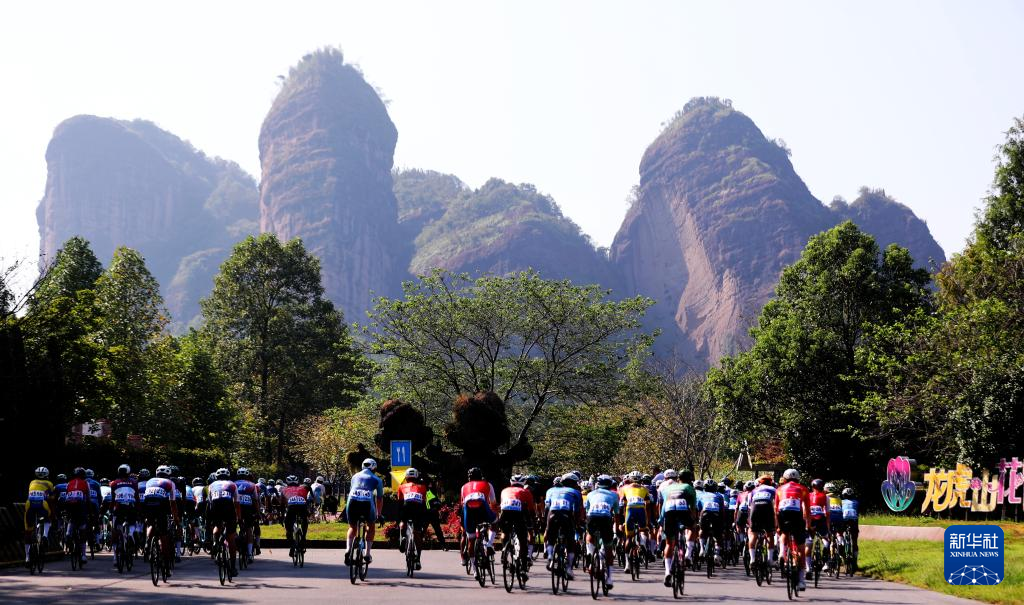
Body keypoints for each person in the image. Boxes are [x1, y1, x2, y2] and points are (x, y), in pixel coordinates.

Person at [657, 469, 695, 586]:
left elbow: (662, 506)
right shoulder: (689, 488)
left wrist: (660, 520)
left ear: (678, 478)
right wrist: (694, 522)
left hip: (668, 511)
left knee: (669, 543)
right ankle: (688, 554)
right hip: (682, 510)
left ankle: (667, 572)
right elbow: (692, 508)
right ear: (690, 480)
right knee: (693, 528)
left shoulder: (666, 488)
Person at [775, 468, 810, 590]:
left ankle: (781, 553)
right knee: (801, 548)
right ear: (798, 478)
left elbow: (776, 509)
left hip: (783, 514)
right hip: (797, 516)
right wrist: (808, 526)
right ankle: (801, 581)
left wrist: (777, 526)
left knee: (784, 533)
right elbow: (807, 510)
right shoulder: (803, 489)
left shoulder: (779, 489)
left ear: (785, 479)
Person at [143, 465, 180, 576]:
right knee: (164, 536)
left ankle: (147, 542)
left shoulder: (149, 481)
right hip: (160, 506)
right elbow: (172, 503)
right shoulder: (170, 483)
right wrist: (176, 518)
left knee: (150, 524)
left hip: (147, 504)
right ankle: (166, 566)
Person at [545, 472, 583, 580]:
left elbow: (547, 507)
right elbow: (577, 511)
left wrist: (546, 524)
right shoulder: (576, 492)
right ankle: (569, 568)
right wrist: (577, 524)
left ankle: (550, 556)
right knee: (570, 541)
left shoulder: (551, 490)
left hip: (552, 514)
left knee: (551, 536)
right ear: (574, 483)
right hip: (566, 515)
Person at [346, 458, 384, 565]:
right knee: (371, 527)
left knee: (352, 527)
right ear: (374, 468)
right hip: (367, 504)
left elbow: (351, 489)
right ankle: (367, 554)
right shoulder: (377, 479)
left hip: (352, 501)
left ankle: (348, 549)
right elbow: (379, 498)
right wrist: (379, 514)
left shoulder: (354, 476)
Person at [585, 474, 620, 588]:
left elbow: (587, 511)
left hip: (592, 517)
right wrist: (617, 530)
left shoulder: (590, 494)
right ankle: (609, 578)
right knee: (608, 548)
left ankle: (590, 553)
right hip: (605, 518)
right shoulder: (614, 495)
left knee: (590, 534)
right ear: (610, 485)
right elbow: (617, 514)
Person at [460, 467, 498, 571]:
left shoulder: (464, 487)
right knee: (495, 522)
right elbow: (493, 503)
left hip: (468, 510)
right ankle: (489, 544)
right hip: (482, 508)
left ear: (469, 478)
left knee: (468, 536)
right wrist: (494, 515)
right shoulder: (488, 484)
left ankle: (473, 569)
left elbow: (462, 504)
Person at [207, 467, 239, 576]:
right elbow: (236, 502)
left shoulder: (211, 485)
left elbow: (209, 501)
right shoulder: (232, 484)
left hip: (215, 507)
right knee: (231, 539)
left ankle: (215, 541)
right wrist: (238, 517)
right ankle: (233, 567)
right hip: (228, 507)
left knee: (217, 525)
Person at [498, 474, 535, 567]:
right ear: (523, 483)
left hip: (505, 511)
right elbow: (531, 509)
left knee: (505, 532)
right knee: (522, 537)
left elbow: (501, 506)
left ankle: (504, 548)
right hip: (519, 512)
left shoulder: (504, 490)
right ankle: (524, 562)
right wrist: (532, 521)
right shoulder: (526, 491)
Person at [397, 467, 429, 570]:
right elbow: (424, 501)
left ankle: (403, 536)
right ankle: (418, 559)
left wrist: (400, 518)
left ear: (406, 477)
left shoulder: (401, 486)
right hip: (418, 507)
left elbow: (400, 502)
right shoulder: (423, 487)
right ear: (416, 477)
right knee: (417, 532)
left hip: (406, 506)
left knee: (402, 520)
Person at [109, 464, 139, 563]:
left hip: (119, 508)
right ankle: (130, 534)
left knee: (115, 530)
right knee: (132, 523)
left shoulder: (114, 483)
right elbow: (137, 497)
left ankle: (115, 557)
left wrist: (110, 511)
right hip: (131, 506)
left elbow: (113, 500)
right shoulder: (134, 482)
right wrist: (139, 509)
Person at [24, 467, 54, 564]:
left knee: (28, 531)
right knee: (48, 518)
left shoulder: (32, 482)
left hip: (29, 504)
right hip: (42, 504)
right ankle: (45, 535)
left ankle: (27, 558)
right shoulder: (49, 483)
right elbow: (52, 499)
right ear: (47, 475)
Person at [747, 476, 776, 569]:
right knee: (770, 534)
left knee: (753, 534)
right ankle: (770, 560)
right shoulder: (773, 489)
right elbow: (776, 504)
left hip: (755, 509)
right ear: (770, 482)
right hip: (768, 508)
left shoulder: (753, 491)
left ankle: (752, 559)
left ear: (760, 483)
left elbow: (749, 506)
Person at [65, 468, 91, 565]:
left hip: (69, 505)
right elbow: (88, 498)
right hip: (80, 506)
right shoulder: (86, 483)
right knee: (82, 529)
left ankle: (68, 534)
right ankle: (83, 555)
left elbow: (66, 496)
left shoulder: (69, 483)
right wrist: (89, 512)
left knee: (71, 519)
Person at [282, 474, 311, 559]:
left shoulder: (284, 489)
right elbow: (306, 500)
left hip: (291, 507)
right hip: (302, 506)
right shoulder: (303, 488)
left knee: (288, 527)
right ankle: (304, 537)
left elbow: (282, 504)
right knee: (304, 519)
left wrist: (282, 515)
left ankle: (292, 545)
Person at [235, 468, 260, 560]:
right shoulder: (252, 485)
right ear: (247, 476)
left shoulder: (233, 484)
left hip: (236, 507)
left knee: (232, 527)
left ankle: (236, 540)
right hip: (248, 508)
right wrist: (258, 512)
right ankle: (249, 553)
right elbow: (255, 500)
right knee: (249, 528)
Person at [808, 479, 830, 571]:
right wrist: (828, 527)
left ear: (812, 487)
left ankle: (808, 565)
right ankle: (826, 562)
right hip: (821, 519)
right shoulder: (826, 497)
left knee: (809, 541)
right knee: (825, 539)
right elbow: (827, 513)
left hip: (810, 519)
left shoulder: (808, 495)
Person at [424, 477, 447, 550]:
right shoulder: (422, 491)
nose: (430, 485)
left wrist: (436, 507)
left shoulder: (432, 491)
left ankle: (444, 546)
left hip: (433, 513)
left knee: (438, 530)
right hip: (426, 513)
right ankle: (417, 545)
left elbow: (438, 501)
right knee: (421, 530)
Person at [841, 488, 859, 556]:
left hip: (844, 520)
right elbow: (857, 512)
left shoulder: (841, 502)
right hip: (853, 521)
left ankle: (841, 548)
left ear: (843, 495)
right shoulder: (856, 502)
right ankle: (855, 556)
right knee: (854, 540)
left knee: (840, 533)